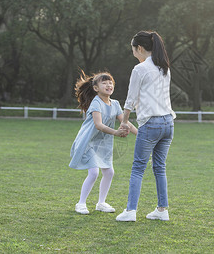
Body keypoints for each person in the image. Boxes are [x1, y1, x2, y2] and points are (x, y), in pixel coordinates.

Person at [116, 31, 176, 222]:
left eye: (133, 49)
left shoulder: (140, 69)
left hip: (151, 124)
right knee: (159, 167)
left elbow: (130, 100)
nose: (133, 52)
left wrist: (124, 122)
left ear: (139, 48)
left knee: (138, 168)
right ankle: (162, 209)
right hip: (168, 123)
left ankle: (131, 211)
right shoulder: (164, 67)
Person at [69, 71, 137, 215]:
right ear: (96, 88)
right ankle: (80, 203)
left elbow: (125, 122)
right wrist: (116, 133)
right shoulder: (96, 103)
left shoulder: (116, 104)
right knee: (93, 172)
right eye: (104, 83)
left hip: (103, 144)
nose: (108, 85)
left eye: (110, 82)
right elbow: (98, 125)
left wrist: (140, 134)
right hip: (88, 141)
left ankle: (101, 203)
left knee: (109, 172)